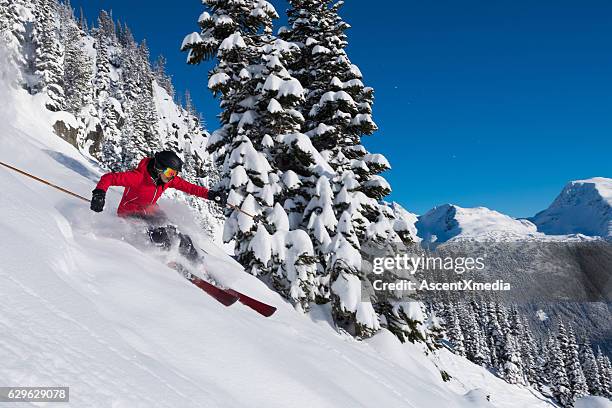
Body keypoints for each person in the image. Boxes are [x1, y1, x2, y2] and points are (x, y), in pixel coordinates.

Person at [90, 150, 227, 262]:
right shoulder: (137, 177)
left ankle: (197, 264)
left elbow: (190, 188)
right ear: (158, 168)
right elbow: (108, 178)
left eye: (174, 174)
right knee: (161, 235)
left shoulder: (166, 181)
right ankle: (168, 260)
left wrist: (211, 195)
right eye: (169, 173)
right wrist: (99, 194)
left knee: (178, 233)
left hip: (150, 211)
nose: (172, 177)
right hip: (130, 212)